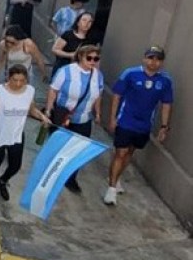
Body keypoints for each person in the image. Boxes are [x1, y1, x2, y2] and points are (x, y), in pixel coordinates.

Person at [104, 46, 173, 205]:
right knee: (120, 152)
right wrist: (113, 118)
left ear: (161, 62)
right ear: (144, 58)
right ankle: (111, 189)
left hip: (144, 124)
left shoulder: (165, 81)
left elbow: (167, 104)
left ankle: (116, 177)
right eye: (150, 58)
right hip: (126, 120)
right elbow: (117, 95)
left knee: (130, 152)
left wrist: (164, 126)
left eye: (157, 59)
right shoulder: (130, 74)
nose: (153, 62)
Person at [0, 64, 51, 205]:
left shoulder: (30, 91)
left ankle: (2, 181)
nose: (18, 83)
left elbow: (31, 109)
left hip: (17, 133)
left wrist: (41, 117)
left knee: (16, 165)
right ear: (9, 78)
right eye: (15, 80)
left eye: (22, 80)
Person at [45, 44, 104, 193]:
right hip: (63, 115)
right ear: (80, 57)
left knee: (78, 150)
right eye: (89, 58)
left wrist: (97, 113)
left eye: (96, 58)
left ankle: (70, 178)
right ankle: (51, 174)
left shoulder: (98, 75)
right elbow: (53, 90)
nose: (92, 61)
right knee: (58, 146)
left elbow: (98, 96)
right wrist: (48, 109)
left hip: (83, 119)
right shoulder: (66, 71)